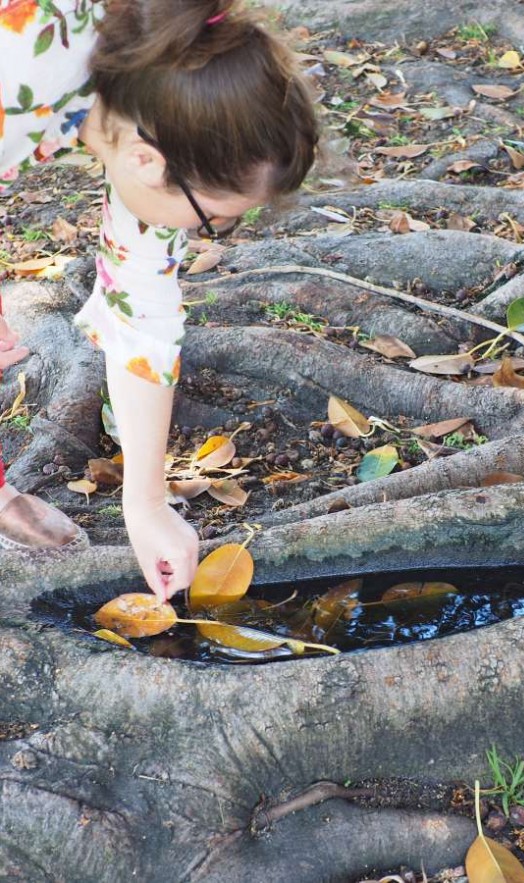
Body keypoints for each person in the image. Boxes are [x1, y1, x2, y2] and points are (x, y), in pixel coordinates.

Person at [0, 0, 318, 599]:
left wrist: (145, 504)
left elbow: (141, 310)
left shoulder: (153, 93)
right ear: (149, 163)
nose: (203, 236)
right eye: (214, 221)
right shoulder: (16, 76)